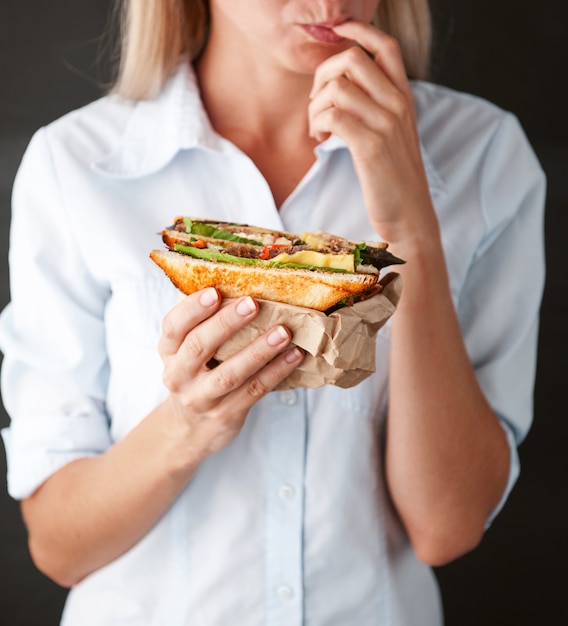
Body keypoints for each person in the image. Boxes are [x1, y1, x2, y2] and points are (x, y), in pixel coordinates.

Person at [0, 1, 545, 624]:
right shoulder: (76, 165)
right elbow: (58, 546)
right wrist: (187, 425)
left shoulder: (483, 155)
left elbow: (447, 528)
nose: (331, 4)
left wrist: (413, 232)